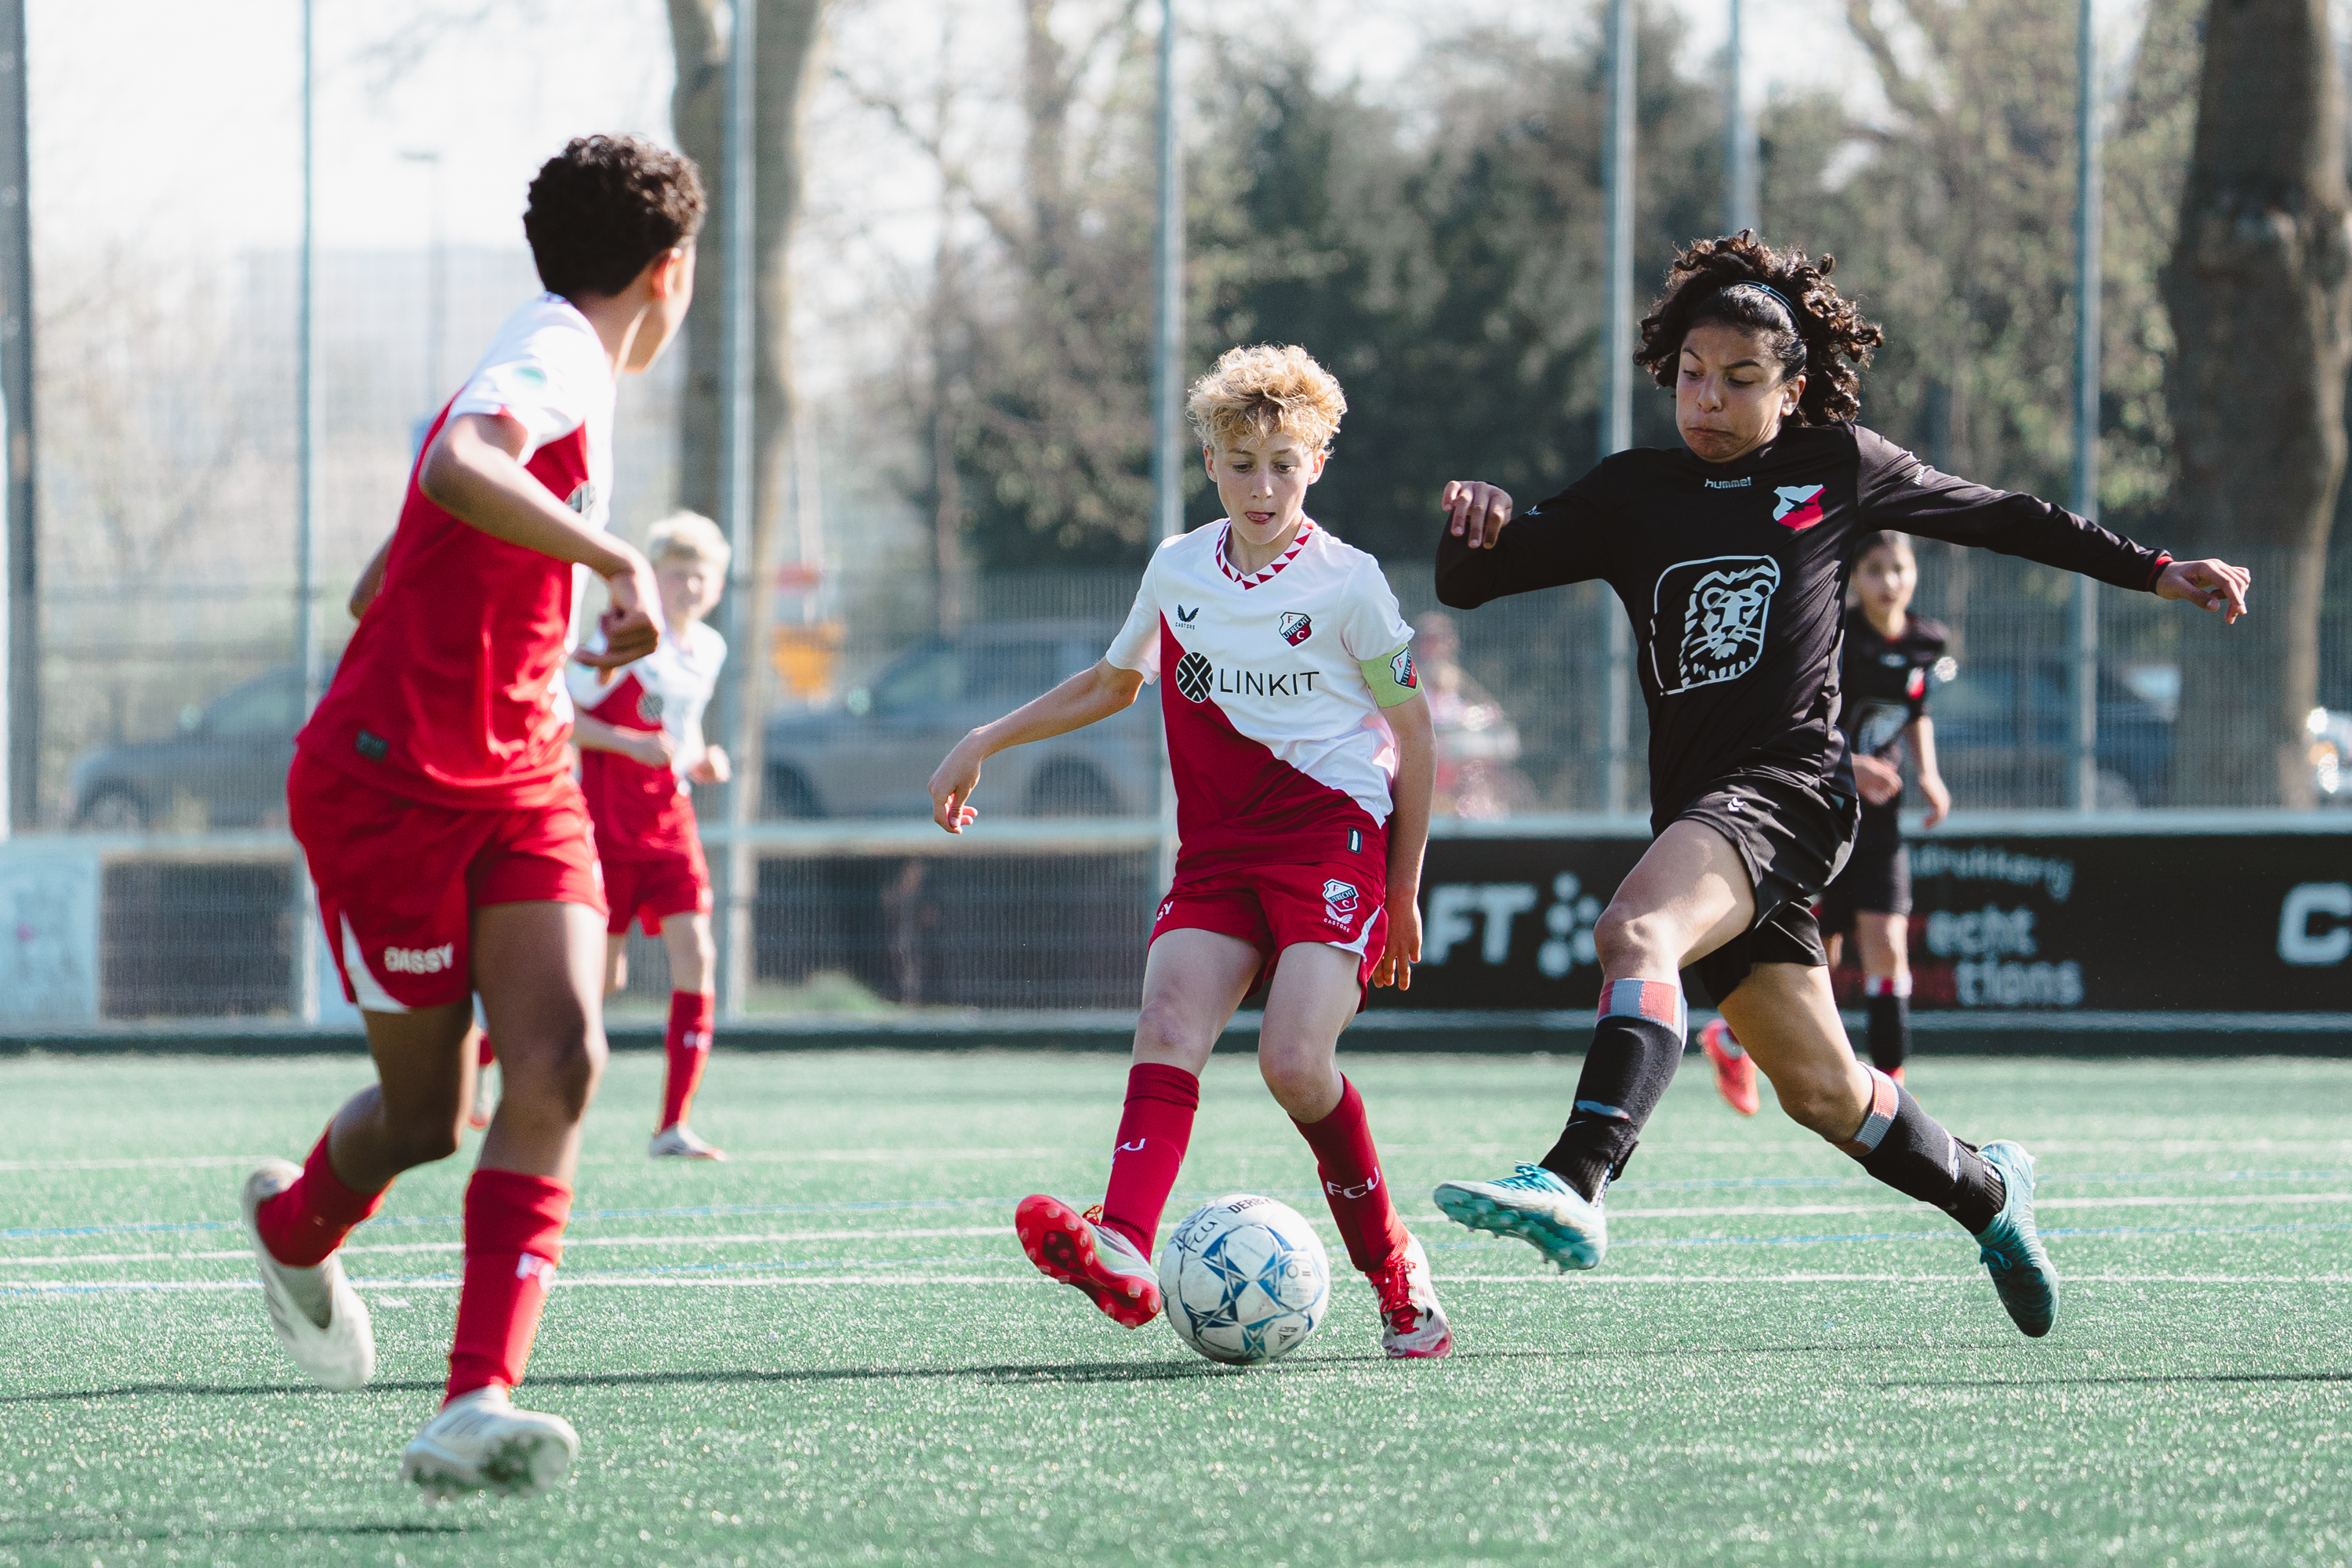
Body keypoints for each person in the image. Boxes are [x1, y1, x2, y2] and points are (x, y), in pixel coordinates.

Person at [1425, 234, 2249, 1340]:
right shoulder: (1634, 493)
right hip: (1704, 814)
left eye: (1740, 379)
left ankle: (1576, 1176)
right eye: (1692, 375)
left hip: (1793, 789)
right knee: (1824, 1092)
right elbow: (1473, 585)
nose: (1707, 398)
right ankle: (1990, 1191)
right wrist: (1473, 519)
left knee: (1634, 931)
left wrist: (2152, 569)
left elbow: (2005, 514)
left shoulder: (1839, 466)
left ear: (1793, 387)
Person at [241, 135, 702, 1497]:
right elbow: (457, 464)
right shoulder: (559, 350)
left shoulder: (554, 358)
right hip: (388, 787)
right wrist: (614, 558)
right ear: (670, 275)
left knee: (557, 1059)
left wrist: (533, 621)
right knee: (426, 1116)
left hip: (522, 776)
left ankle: (473, 1401)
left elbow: (395, 565)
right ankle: (294, 1225)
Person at [927, 343, 1454, 1359]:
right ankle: (1123, 1247)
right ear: (1210, 462)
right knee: (1166, 1022)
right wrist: (986, 737)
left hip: (1330, 839)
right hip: (1217, 848)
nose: (1263, 486)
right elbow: (1112, 682)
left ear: (1317, 464)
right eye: (1241, 463)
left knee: (1295, 1063)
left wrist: (1403, 888)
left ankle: (1395, 1268)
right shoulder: (1177, 569)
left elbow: (1416, 734)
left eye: (1284, 464)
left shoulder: (1349, 583)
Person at [1699, 529, 1947, 1113]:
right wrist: (1853, 766)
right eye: (1875, 570)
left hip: (1881, 822)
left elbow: (1916, 711)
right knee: (1819, 956)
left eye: (1899, 569)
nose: (1889, 582)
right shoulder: (1836, 637)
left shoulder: (1927, 641)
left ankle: (1893, 1090)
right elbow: (1805, 719)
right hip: (1824, 810)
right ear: (1855, 578)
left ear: (1914, 573)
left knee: (1887, 945)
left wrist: (1930, 776)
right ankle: (1732, 1039)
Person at [566, 510, 734, 1160]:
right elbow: (562, 716)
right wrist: (627, 743)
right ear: (651, 578)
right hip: (606, 831)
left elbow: (677, 731)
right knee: (599, 983)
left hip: (672, 827)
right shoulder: (623, 638)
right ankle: (483, 1056)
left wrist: (700, 758)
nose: (689, 587)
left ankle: (672, 1127)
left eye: (701, 576)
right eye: (676, 574)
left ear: (717, 585)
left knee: (698, 956)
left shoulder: (710, 649)